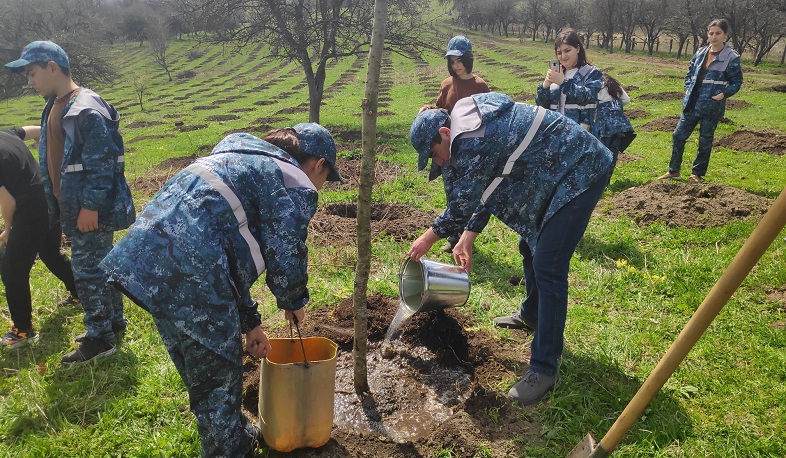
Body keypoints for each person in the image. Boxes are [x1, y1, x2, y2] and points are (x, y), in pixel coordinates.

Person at [100, 124, 344, 458]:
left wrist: (250, 322)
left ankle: (232, 431)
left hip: (147, 263)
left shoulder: (239, 157)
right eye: (326, 177)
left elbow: (224, 249)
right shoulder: (292, 181)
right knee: (217, 379)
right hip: (194, 273)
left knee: (201, 369)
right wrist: (294, 300)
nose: (320, 186)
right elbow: (285, 250)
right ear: (319, 165)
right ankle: (228, 449)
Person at [408, 92, 613, 406]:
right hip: (554, 167)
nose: (438, 162)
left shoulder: (473, 139)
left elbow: (463, 203)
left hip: (580, 168)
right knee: (529, 245)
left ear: (444, 133)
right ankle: (532, 314)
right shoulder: (464, 114)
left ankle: (544, 369)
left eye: (435, 154)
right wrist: (468, 236)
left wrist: (427, 239)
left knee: (549, 264)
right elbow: (488, 184)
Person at [5, 41, 136, 363]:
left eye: (32, 73)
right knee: (101, 269)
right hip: (73, 205)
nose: (30, 81)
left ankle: (99, 338)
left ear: (52, 67)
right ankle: (112, 323)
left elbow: (105, 163)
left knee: (88, 274)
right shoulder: (55, 104)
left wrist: (90, 206)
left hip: (88, 209)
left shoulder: (86, 108)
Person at [0, 126, 79, 349]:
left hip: (29, 209)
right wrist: (43, 142)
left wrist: (7, 230)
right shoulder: (5, 134)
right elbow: (34, 130)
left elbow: (9, 203)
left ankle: (22, 330)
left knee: (12, 269)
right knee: (50, 253)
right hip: (48, 198)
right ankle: (79, 292)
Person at [658, 19, 743, 183]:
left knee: (705, 141)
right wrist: (687, 88)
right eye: (711, 33)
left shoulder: (731, 57)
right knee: (678, 136)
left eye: (718, 33)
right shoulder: (700, 53)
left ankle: (697, 174)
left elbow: (737, 82)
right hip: (692, 103)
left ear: (726, 35)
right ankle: (673, 170)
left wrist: (723, 94)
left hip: (711, 106)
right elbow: (690, 74)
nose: (714, 37)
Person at [427, 35, 490, 252]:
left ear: (468, 59)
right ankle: (453, 238)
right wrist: (427, 110)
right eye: (452, 62)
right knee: (451, 192)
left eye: (459, 61)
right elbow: (439, 112)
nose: (456, 66)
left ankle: (467, 239)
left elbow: (488, 118)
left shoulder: (480, 86)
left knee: (469, 194)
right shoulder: (446, 84)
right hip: (447, 148)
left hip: (470, 150)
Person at [536, 28, 602, 131]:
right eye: (559, 53)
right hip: (555, 135)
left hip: (581, 136)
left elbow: (585, 97)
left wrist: (563, 83)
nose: (563, 56)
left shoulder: (592, 73)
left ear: (578, 49)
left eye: (567, 51)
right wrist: (545, 85)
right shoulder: (557, 73)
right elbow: (541, 106)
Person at [592, 72, 636, 169]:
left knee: (600, 153)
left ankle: (599, 180)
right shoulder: (613, 83)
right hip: (620, 125)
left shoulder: (595, 84)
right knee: (613, 151)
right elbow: (626, 99)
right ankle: (607, 178)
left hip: (604, 127)